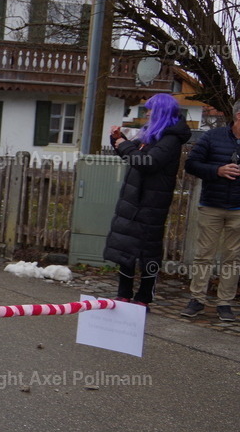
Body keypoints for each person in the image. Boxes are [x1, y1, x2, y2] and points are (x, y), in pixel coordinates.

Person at [102, 93, 191, 310]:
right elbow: (132, 155)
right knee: (126, 247)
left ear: (161, 112)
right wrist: (118, 139)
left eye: (151, 109)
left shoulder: (170, 140)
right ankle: (123, 294)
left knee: (148, 251)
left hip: (151, 204)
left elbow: (147, 163)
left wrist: (124, 144)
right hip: (133, 201)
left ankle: (144, 297)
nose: (148, 113)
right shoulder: (152, 135)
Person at [181, 99, 240, 320]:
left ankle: (225, 303)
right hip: (211, 206)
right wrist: (218, 170)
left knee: (233, 258)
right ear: (238, 116)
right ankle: (197, 299)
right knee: (203, 255)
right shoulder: (212, 136)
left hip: (238, 209)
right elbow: (191, 164)